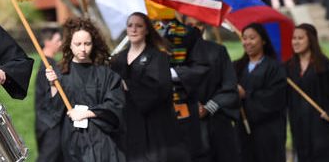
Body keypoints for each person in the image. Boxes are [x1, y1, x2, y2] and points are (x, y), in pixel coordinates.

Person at [40, 17, 126, 162]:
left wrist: (86, 113)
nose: (83, 49)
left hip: (102, 140)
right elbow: (53, 114)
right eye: (78, 44)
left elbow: (115, 104)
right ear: (70, 45)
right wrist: (53, 85)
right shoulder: (61, 73)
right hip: (73, 143)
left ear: (94, 44)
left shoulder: (105, 74)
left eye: (87, 43)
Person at [165, 17, 241, 162]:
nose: (195, 29)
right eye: (189, 25)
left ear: (204, 26)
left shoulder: (217, 51)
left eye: (199, 24)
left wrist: (208, 108)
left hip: (216, 123)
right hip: (184, 125)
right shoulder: (171, 53)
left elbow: (230, 88)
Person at [109, 13, 181, 162]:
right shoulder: (117, 60)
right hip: (127, 127)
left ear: (147, 30)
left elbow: (161, 89)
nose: (133, 29)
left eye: (139, 26)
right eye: (130, 26)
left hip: (154, 127)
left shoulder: (158, 57)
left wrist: (128, 85)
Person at [286, 23, 329, 162]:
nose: (295, 42)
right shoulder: (288, 68)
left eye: (300, 38)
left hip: (322, 125)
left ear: (311, 40)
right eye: (294, 38)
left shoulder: (326, 66)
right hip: (300, 126)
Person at [234, 23, 287, 162]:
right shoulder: (237, 67)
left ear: (263, 41)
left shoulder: (274, 68)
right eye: (244, 38)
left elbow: (276, 98)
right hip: (242, 131)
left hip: (268, 132)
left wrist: (246, 94)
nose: (247, 42)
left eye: (252, 38)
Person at [34, 27, 64, 162]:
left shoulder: (51, 64)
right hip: (49, 123)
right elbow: (47, 97)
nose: (61, 43)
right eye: (58, 40)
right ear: (47, 42)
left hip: (50, 122)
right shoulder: (47, 67)